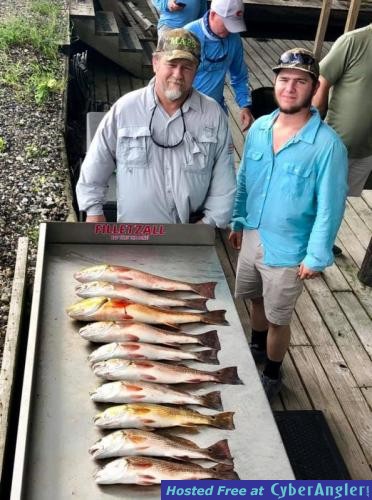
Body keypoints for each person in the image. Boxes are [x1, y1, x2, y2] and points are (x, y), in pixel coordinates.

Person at [229, 48, 348, 401]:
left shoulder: (328, 147)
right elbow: (245, 179)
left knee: (280, 317)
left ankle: (273, 371)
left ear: (314, 89)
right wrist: (238, 220)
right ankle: (255, 346)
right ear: (275, 83)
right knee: (254, 298)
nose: (290, 87)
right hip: (252, 232)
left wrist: (316, 255)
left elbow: (331, 206)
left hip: (288, 249)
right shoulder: (260, 127)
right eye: (284, 79)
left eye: (300, 81)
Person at [76, 29, 236, 227]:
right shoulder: (125, 109)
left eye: (187, 67)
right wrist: (93, 211)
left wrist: (207, 225)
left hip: (189, 234)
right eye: (172, 64)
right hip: (132, 234)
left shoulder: (214, 115)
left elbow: (225, 182)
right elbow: (96, 164)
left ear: (197, 69)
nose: (178, 74)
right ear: (155, 63)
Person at [312, 24, 372, 256]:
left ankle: (323, 241)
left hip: (366, 149)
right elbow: (322, 82)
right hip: (336, 142)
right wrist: (314, 126)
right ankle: (306, 243)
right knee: (318, 194)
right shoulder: (353, 41)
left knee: (338, 199)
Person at [184, 0, 254, 131]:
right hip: (186, 110)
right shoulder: (188, 34)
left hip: (216, 109)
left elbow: (239, 75)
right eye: (227, 24)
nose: (230, 30)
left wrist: (245, 105)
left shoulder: (234, 39)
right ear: (213, 14)